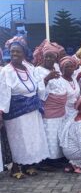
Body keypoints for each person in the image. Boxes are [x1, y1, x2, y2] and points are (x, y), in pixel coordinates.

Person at [0, 39, 50, 179]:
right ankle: (15, 167)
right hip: (16, 110)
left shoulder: (29, 68)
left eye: (18, 51)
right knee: (17, 139)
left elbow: (38, 85)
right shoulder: (6, 71)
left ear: (24, 53)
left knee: (31, 138)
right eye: (12, 51)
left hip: (33, 109)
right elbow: (3, 93)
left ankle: (29, 165)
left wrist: (41, 94)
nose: (15, 54)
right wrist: (1, 111)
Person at [33, 41, 68, 167]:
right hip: (49, 107)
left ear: (55, 58)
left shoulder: (57, 67)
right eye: (47, 56)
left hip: (61, 109)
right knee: (49, 133)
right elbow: (37, 90)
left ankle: (59, 157)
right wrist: (47, 78)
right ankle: (48, 159)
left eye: (51, 57)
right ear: (42, 57)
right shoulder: (37, 70)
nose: (49, 59)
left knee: (59, 133)